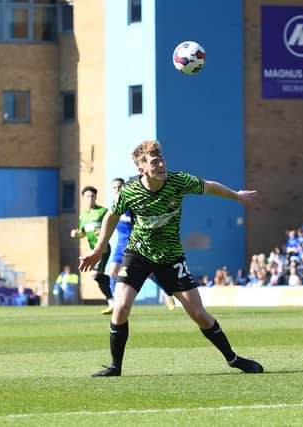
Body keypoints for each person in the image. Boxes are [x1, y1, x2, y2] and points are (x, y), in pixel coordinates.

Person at [79, 140, 263, 376]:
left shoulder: (178, 181)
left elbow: (209, 187)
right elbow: (111, 216)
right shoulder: (130, 192)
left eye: (162, 159)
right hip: (138, 254)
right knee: (121, 307)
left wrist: (237, 196)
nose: (161, 165)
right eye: (154, 162)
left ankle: (234, 359)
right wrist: (98, 249)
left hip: (171, 257)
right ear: (141, 169)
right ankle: (115, 367)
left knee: (198, 314)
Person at [108, 177, 176, 311]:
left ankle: (168, 292)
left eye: (120, 187)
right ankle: (114, 303)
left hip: (135, 244)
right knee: (112, 272)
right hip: (120, 245)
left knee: (149, 274)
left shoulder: (132, 206)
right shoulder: (113, 208)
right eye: (115, 188)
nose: (117, 190)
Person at [71, 186, 113, 314]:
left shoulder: (103, 211)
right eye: (88, 196)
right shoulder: (83, 216)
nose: (90, 198)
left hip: (103, 248)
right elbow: (83, 233)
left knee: (95, 275)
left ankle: (114, 298)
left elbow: (112, 225)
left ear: (96, 197)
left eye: (93, 196)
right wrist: (76, 234)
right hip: (92, 250)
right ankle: (114, 299)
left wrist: (103, 231)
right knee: (97, 276)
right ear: (83, 198)